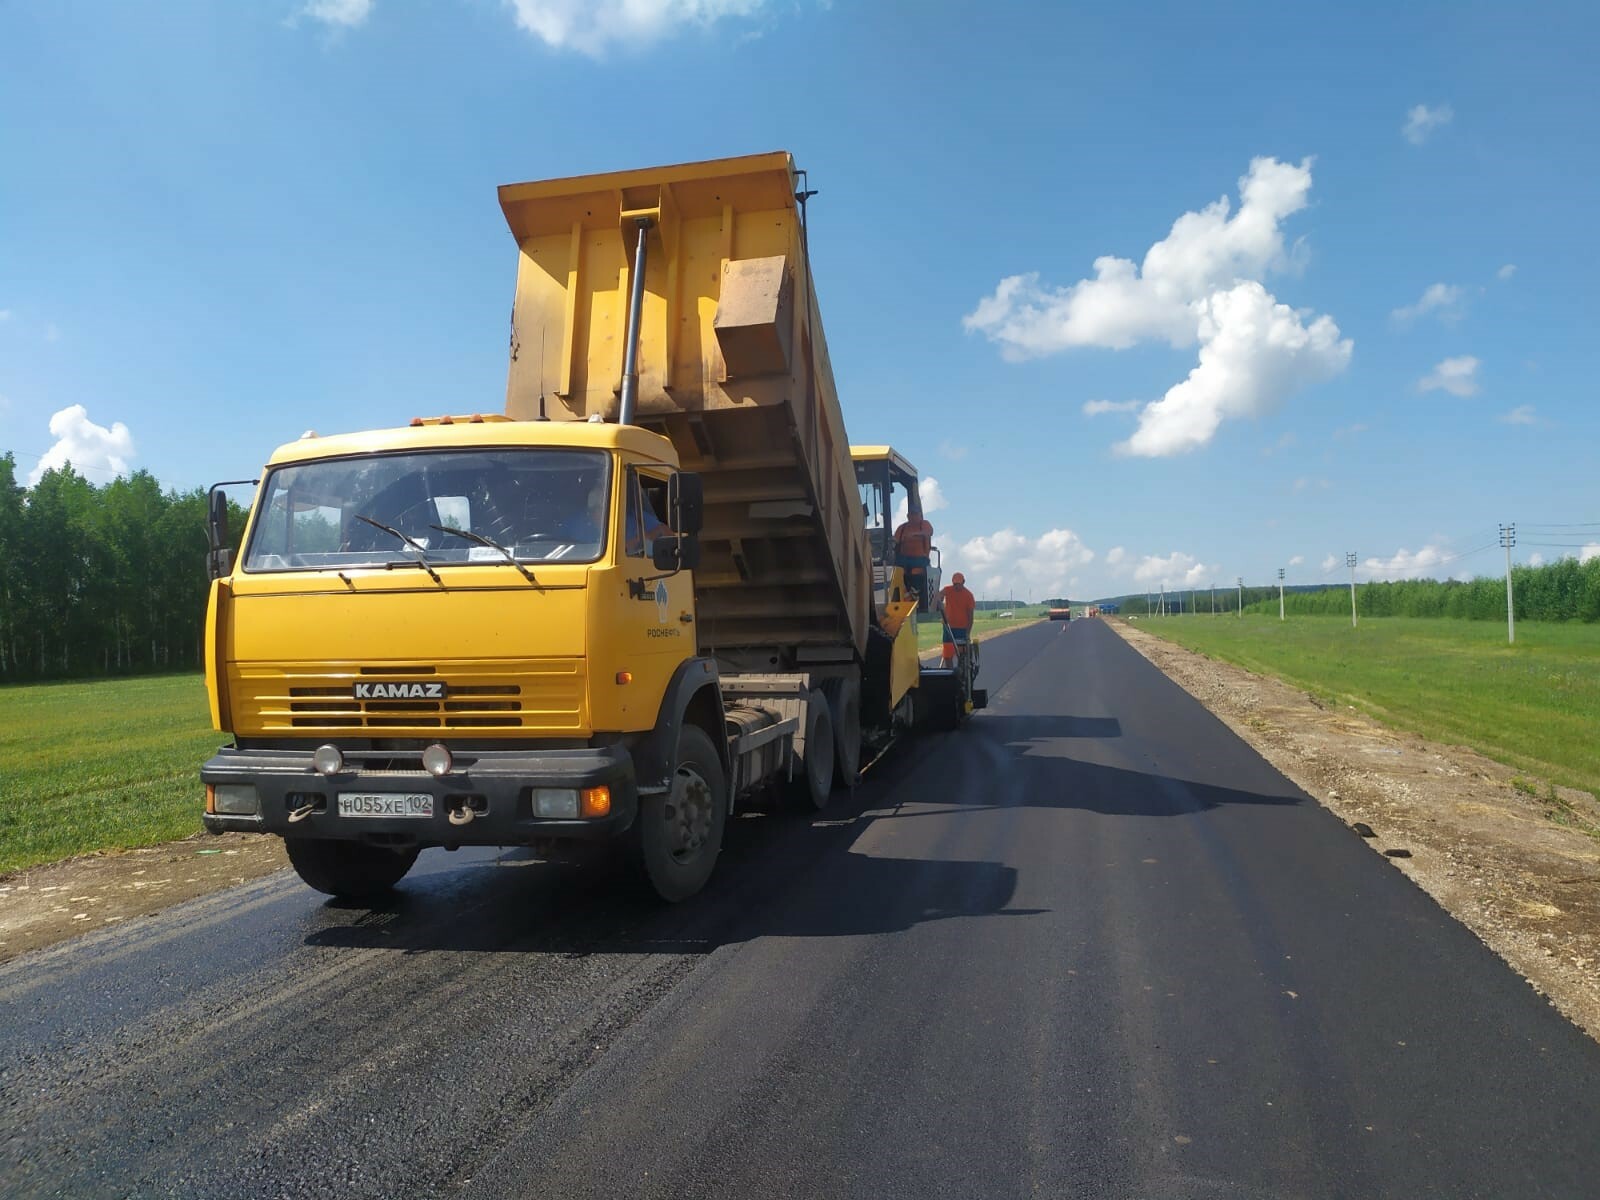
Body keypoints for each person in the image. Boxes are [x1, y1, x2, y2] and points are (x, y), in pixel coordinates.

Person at [893, 500, 934, 609]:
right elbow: (895, 541)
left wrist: (914, 535)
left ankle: (914, 595)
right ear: (907, 516)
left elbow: (928, 533)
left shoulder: (924, 524)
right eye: (911, 514)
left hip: (920, 558)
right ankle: (904, 594)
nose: (914, 516)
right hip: (903, 558)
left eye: (916, 514)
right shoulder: (902, 528)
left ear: (920, 515)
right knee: (896, 571)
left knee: (916, 571)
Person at [939, 570, 976, 668]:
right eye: (955, 584)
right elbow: (938, 596)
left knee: (962, 655)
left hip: (961, 629)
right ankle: (950, 675)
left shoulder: (968, 595)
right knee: (947, 655)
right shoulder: (947, 590)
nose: (956, 586)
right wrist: (940, 599)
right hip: (948, 628)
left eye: (958, 584)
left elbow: (970, 617)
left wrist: (967, 633)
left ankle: (961, 673)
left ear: (963, 582)